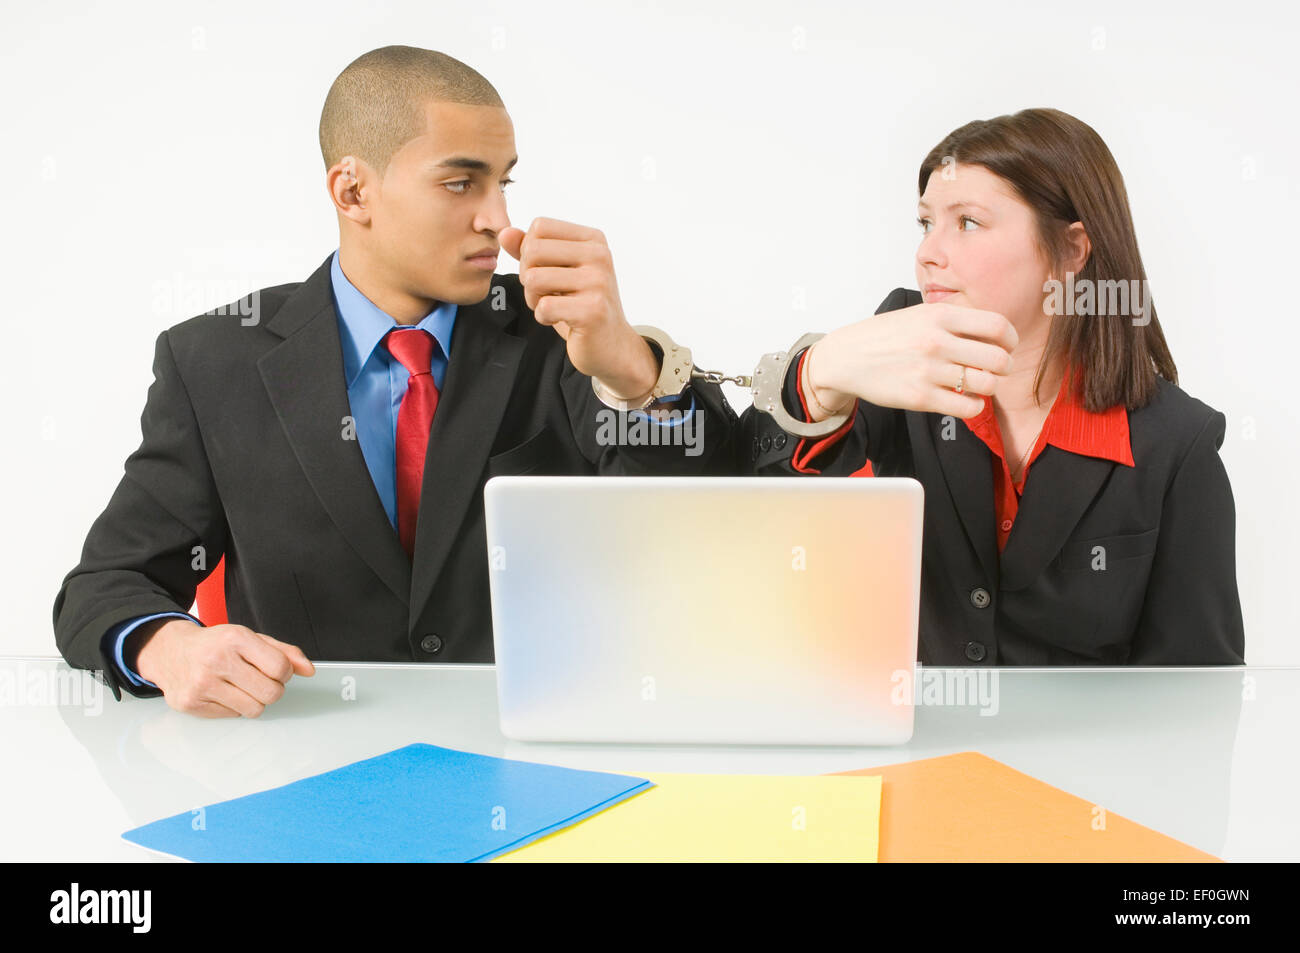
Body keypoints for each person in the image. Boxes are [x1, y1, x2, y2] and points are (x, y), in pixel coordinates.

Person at [53, 45, 736, 717]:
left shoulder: (559, 336)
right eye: (460, 182)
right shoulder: (212, 362)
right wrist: (166, 646)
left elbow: (706, 533)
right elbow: (106, 584)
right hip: (304, 775)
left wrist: (633, 373)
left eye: (505, 183)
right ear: (353, 192)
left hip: (539, 754)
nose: (498, 221)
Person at [742, 107, 1244, 665]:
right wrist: (819, 370)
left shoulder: (1177, 441)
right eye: (926, 222)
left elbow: (1198, 693)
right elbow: (748, 497)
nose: (928, 253)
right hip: (917, 746)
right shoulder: (900, 352)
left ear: (1073, 250)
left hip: (1083, 752)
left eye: (968, 223)